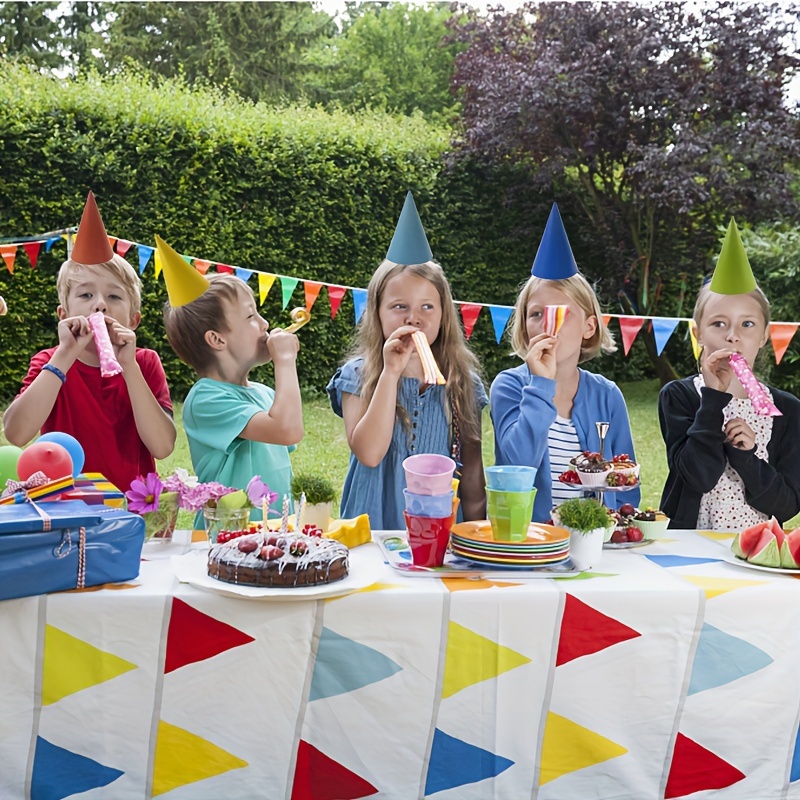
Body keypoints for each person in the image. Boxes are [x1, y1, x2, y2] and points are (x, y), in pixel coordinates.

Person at [327, 192, 487, 530]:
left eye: (427, 306)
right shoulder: (359, 375)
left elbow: (472, 471)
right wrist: (390, 373)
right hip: (373, 523)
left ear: (445, 315)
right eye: (399, 306)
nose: (414, 318)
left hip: (439, 526)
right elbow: (369, 453)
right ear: (377, 314)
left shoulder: (462, 381)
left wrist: (475, 535)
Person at [3, 192, 175, 493]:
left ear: (133, 320)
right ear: (64, 314)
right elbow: (16, 433)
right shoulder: (48, 361)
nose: (100, 305)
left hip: (131, 510)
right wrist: (65, 356)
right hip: (63, 508)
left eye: (114, 296)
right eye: (85, 295)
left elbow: (162, 446)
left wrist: (128, 366)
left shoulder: (144, 362)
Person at [491, 203, 639, 522]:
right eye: (535, 315)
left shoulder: (607, 395)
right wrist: (541, 384)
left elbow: (625, 484)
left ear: (588, 327)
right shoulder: (509, 386)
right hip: (530, 539)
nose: (548, 325)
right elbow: (519, 465)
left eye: (560, 314)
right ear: (523, 325)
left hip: (595, 539)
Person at [659, 219, 800, 530]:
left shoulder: (787, 409)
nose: (732, 336)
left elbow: (787, 506)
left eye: (747, 324)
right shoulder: (680, 397)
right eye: (718, 323)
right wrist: (712, 399)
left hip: (754, 554)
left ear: (764, 335)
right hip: (687, 549)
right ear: (698, 333)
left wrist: (747, 457)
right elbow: (698, 476)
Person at [159, 235, 302, 517]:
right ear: (217, 339)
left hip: (273, 534)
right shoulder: (205, 399)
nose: (265, 324)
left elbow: (287, 436)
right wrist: (285, 361)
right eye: (251, 317)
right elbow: (287, 430)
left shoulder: (264, 393)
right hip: (227, 536)